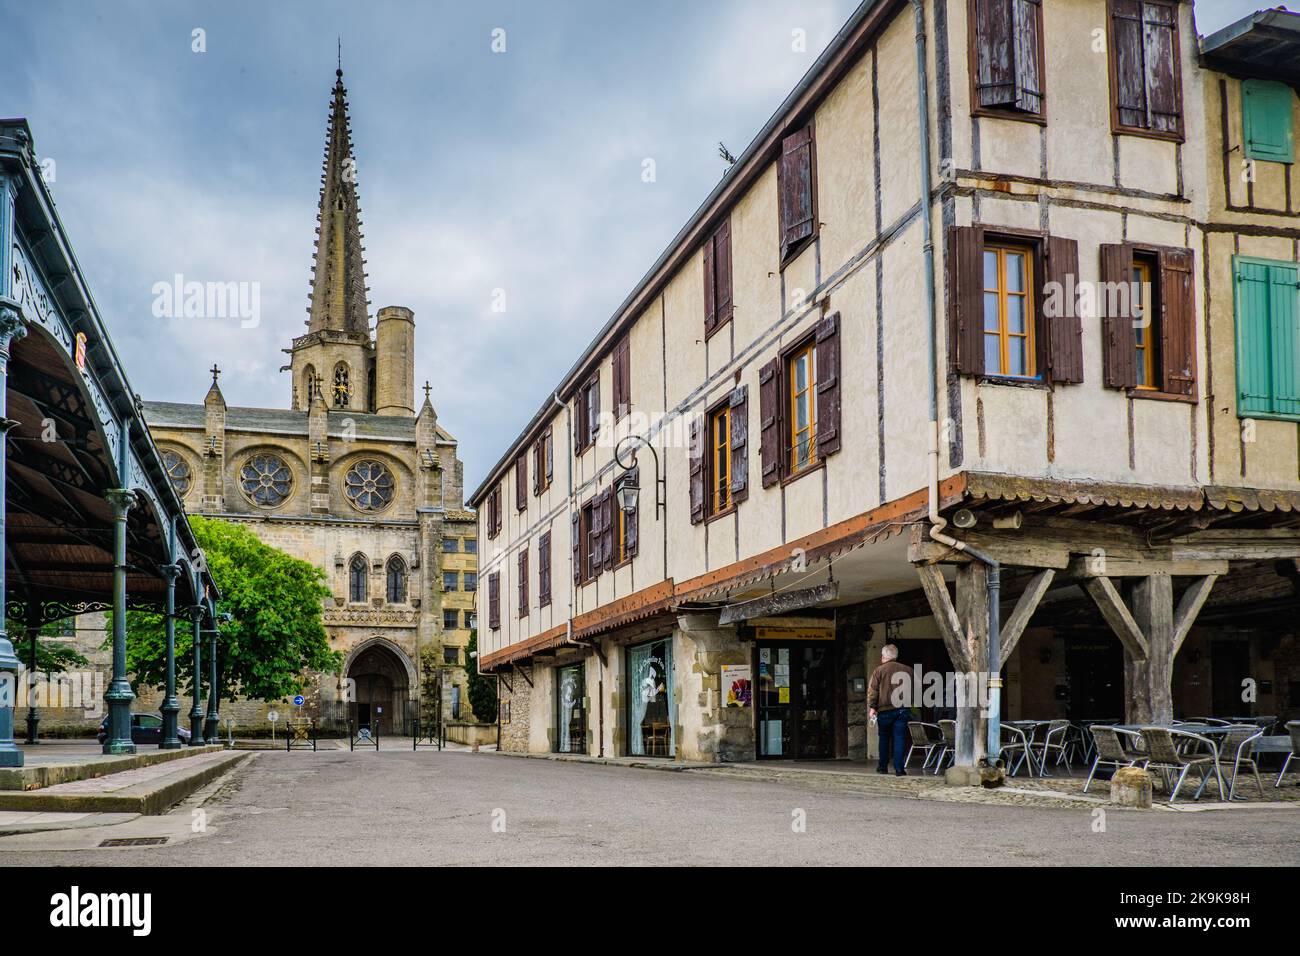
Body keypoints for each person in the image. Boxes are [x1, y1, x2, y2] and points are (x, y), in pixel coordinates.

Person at [867, 644, 912, 775]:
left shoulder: (879, 671)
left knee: (884, 737)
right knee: (899, 738)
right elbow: (915, 689)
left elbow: (873, 691)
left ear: (883, 657)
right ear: (896, 656)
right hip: (902, 709)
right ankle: (899, 768)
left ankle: (883, 766)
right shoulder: (908, 670)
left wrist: (872, 707)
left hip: (884, 709)